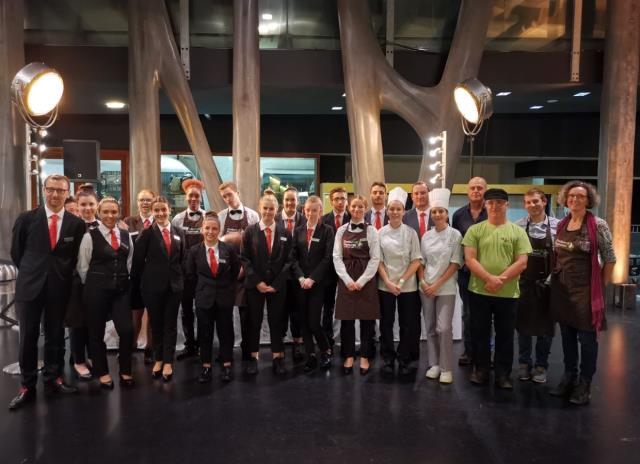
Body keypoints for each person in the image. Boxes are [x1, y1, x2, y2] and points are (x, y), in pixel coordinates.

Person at [9, 174, 86, 411]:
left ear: (67, 193)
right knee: (28, 337)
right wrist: (34, 272)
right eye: (51, 189)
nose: (55, 194)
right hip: (30, 287)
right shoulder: (26, 219)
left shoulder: (76, 223)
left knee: (55, 336)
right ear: (44, 190)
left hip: (59, 288)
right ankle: (27, 386)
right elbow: (17, 252)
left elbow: (74, 257)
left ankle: (53, 379)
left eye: (60, 191)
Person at [549, 181, 615, 405]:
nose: (575, 200)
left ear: (589, 201)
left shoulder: (598, 225)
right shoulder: (561, 224)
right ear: (565, 199)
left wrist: (601, 289)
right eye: (571, 196)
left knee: (587, 341)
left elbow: (610, 259)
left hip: (586, 292)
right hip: (563, 290)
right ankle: (569, 377)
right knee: (567, 338)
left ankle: (585, 383)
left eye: (580, 197)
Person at [462, 188, 531, 389]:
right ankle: (481, 369)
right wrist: (488, 278)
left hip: (508, 293)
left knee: (506, 335)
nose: (494, 206)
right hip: (478, 290)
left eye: (499, 202)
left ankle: (503, 374)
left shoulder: (517, 232)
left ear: (506, 205)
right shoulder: (475, 230)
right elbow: (470, 259)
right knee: (479, 333)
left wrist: (499, 280)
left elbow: (522, 262)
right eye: (491, 202)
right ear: (485, 205)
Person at [76, 197, 134, 389]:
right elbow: (83, 267)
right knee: (96, 333)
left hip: (121, 291)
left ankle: (125, 370)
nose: (110, 216)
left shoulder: (126, 235)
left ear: (118, 213)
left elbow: (129, 263)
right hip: (96, 291)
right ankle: (102, 372)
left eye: (114, 212)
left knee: (126, 330)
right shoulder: (89, 236)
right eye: (106, 212)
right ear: (99, 213)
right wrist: (97, 284)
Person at [131, 196, 186, 382]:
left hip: (174, 287)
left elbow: (183, 260)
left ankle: (168, 361)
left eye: (164, 209)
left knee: (170, 324)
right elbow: (137, 264)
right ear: (153, 213)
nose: (161, 213)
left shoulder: (179, 232)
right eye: (157, 210)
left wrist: (181, 281)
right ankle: (159, 358)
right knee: (156, 324)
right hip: (152, 287)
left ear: (170, 209)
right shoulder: (146, 234)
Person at [240, 194, 294, 375]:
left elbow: (289, 260)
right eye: (265, 208)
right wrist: (257, 282)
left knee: (276, 321)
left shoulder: (285, 233)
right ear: (260, 208)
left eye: (272, 208)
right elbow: (244, 258)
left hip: (278, 286)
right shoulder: (250, 231)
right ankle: (253, 357)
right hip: (255, 285)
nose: (268, 212)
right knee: (253, 321)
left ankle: (278, 357)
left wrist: (277, 284)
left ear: (276, 210)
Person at [186, 212, 240, 383]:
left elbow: (235, 271)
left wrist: (226, 288)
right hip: (204, 299)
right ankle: (206, 366)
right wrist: (201, 291)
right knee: (204, 334)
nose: (210, 231)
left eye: (214, 228)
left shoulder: (228, 249)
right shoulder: (194, 251)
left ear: (219, 230)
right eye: (207, 228)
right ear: (202, 229)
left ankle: (226, 365)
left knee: (226, 333)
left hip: (224, 298)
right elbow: (191, 275)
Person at [418, 188, 463, 384]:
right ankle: (433, 364)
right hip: (426, 287)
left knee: (443, 328)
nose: (437, 214)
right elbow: (421, 261)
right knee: (429, 327)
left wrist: (436, 284)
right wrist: (422, 281)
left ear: (447, 213)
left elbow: (455, 264)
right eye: (434, 211)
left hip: (445, 288)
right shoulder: (426, 236)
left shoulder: (455, 235)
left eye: (441, 211)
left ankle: (446, 367)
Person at [514, 188, 559, 384]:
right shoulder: (518, 227)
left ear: (544, 202)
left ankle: (541, 366)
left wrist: (551, 280)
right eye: (528, 202)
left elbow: (562, 258)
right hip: (524, 284)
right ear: (525, 205)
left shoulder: (557, 226)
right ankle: (524, 363)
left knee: (546, 329)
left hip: (548, 285)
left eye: (536, 201)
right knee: (522, 326)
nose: (532, 205)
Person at [333, 195, 381, 375]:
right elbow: (336, 257)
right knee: (347, 320)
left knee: (367, 320)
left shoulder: (372, 231)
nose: (357, 210)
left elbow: (375, 258)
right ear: (348, 208)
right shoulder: (341, 230)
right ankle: (348, 356)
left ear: (365, 208)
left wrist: (361, 281)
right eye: (354, 206)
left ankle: (365, 357)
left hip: (366, 279)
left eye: (361, 207)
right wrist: (346, 280)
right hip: (346, 277)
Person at [377, 187, 422, 377]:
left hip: (408, 285)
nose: (395, 212)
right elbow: (378, 260)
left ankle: (404, 358)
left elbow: (416, 260)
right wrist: (388, 281)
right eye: (392, 209)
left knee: (407, 323)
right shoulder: (379, 233)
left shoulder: (411, 233)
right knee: (386, 323)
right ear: (387, 211)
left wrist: (402, 281)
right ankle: (387, 358)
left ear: (404, 211)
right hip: (385, 285)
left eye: (398, 209)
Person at [217, 181, 260, 364]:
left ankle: (247, 352)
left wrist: (245, 268)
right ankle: (225, 352)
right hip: (226, 273)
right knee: (224, 315)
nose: (227, 199)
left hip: (246, 271)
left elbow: (257, 246)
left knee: (246, 316)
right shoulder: (220, 216)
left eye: (229, 194)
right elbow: (217, 245)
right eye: (224, 197)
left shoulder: (253, 215)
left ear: (237, 192)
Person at [291, 196, 335, 372]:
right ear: (304, 211)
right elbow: (293, 257)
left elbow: (327, 258)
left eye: (314, 210)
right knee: (303, 321)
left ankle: (325, 350)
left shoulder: (327, 230)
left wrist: (312, 278)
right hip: (301, 284)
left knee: (314, 322)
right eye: (308, 210)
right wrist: (301, 277)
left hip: (317, 284)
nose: (310, 213)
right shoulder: (298, 230)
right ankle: (310, 355)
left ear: (320, 211)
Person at [64, 188, 100, 381]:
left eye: (91, 204)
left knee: (94, 322)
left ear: (97, 205)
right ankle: (78, 360)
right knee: (77, 321)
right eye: (83, 205)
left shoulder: (103, 226)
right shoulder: (71, 227)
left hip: (97, 282)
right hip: (76, 282)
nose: (87, 208)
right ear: (77, 207)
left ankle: (93, 356)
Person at [452, 176, 488, 366]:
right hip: (466, 273)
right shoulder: (458, 215)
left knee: (487, 314)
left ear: (485, 190)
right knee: (468, 313)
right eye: (473, 188)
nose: (476, 191)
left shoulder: (492, 213)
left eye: (480, 188)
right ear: (468, 191)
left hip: (488, 272)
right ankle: (469, 350)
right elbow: (457, 244)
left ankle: (486, 352)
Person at [171, 179, 206, 360]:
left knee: (201, 309)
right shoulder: (177, 219)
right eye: (190, 196)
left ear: (200, 198)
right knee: (186, 311)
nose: (193, 199)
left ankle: (201, 344)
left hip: (202, 272)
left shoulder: (207, 217)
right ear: (186, 198)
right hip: (184, 272)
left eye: (196, 196)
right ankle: (189, 344)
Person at [124, 188, 156, 364]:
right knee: (134, 316)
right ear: (137, 202)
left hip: (153, 277)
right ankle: (131, 346)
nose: (145, 203)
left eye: (148, 199)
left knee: (152, 316)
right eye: (142, 200)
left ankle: (150, 349)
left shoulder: (159, 222)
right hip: (135, 277)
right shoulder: (128, 222)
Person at [275, 186, 307, 362]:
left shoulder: (304, 220)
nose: (290, 203)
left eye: (293, 200)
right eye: (287, 199)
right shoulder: (274, 219)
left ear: (298, 201)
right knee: (280, 311)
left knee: (297, 311)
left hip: (298, 275)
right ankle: (278, 346)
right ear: (283, 201)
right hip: (279, 275)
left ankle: (298, 344)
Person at [321, 186, 351, 348]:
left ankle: (347, 340)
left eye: (343, 198)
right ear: (331, 201)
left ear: (347, 201)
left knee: (347, 305)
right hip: (328, 271)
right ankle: (327, 339)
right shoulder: (324, 220)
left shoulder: (354, 218)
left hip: (349, 269)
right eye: (337, 199)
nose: (340, 202)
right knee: (328, 306)